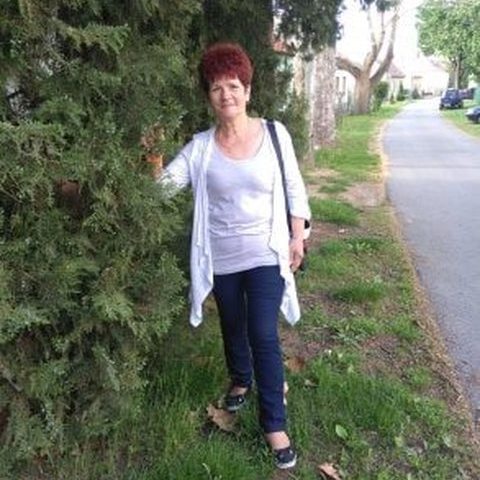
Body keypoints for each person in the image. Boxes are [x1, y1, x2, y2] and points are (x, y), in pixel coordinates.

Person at [157, 42, 311, 470]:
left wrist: (297, 236)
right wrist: (150, 160)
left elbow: (294, 187)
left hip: (265, 251)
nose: (226, 94)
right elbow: (163, 188)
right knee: (232, 324)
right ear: (208, 96)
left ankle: (274, 423)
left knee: (262, 332)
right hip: (221, 257)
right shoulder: (201, 147)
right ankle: (241, 379)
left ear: (247, 90)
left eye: (233, 85)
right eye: (216, 87)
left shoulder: (275, 135)